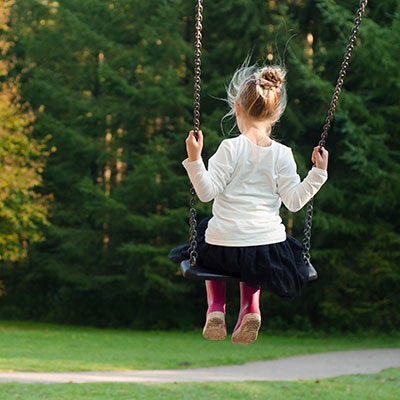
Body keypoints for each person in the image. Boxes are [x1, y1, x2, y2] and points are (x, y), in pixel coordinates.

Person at [168, 61, 329, 345]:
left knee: (208, 233)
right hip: (266, 250)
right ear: (276, 113)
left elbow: (205, 193)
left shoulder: (229, 148)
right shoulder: (283, 154)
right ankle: (251, 308)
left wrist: (195, 159)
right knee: (255, 251)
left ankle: (216, 308)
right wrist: (318, 173)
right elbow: (294, 202)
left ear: (237, 109)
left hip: (223, 248)